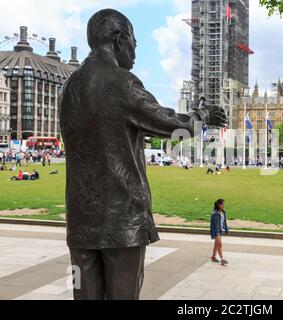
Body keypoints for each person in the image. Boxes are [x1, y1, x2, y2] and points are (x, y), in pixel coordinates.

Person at [59, 9, 226, 300]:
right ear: (120, 39)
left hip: (80, 223)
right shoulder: (122, 82)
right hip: (122, 222)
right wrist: (203, 115)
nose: (135, 50)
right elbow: (172, 125)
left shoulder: (68, 87)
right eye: (134, 42)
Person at [210, 199, 229, 266]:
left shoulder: (223, 212)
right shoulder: (214, 214)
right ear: (219, 205)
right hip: (216, 231)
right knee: (220, 244)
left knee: (216, 244)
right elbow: (212, 225)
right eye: (223, 204)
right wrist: (214, 234)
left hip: (220, 230)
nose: (224, 205)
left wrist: (226, 229)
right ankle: (222, 259)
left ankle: (213, 257)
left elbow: (224, 222)